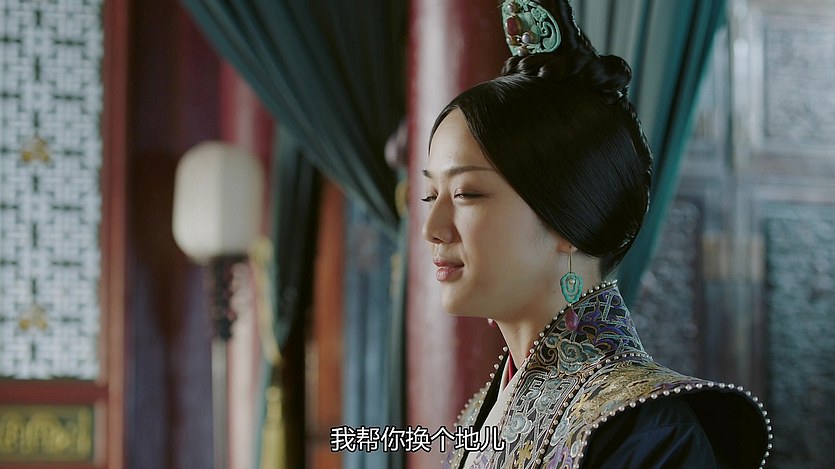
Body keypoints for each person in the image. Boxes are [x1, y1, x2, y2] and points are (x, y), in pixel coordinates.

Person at [420, 0, 770, 467]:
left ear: (569, 220)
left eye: (466, 193)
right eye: (430, 195)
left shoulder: (648, 431)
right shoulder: (481, 414)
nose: (432, 229)